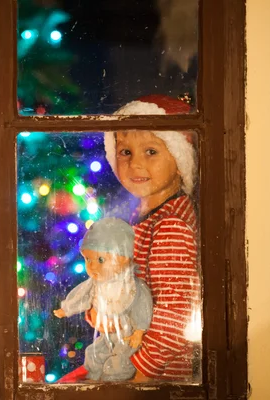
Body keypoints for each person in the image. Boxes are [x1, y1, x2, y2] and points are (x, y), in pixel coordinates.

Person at [59, 94, 201, 383]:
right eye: (126, 152)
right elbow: (119, 282)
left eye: (151, 152)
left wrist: (138, 376)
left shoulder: (171, 226)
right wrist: (100, 312)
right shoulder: (142, 216)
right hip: (123, 356)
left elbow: (174, 316)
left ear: (179, 160)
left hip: (155, 376)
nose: (136, 164)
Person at [53, 218, 152, 381]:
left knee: (121, 357)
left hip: (127, 331)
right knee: (94, 351)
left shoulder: (132, 286)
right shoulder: (95, 283)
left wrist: (139, 331)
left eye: (100, 260)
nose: (92, 267)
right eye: (87, 259)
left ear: (124, 258)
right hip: (105, 331)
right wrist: (68, 309)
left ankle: (114, 382)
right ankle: (95, 376)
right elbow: (82, 295)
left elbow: (143, 306)